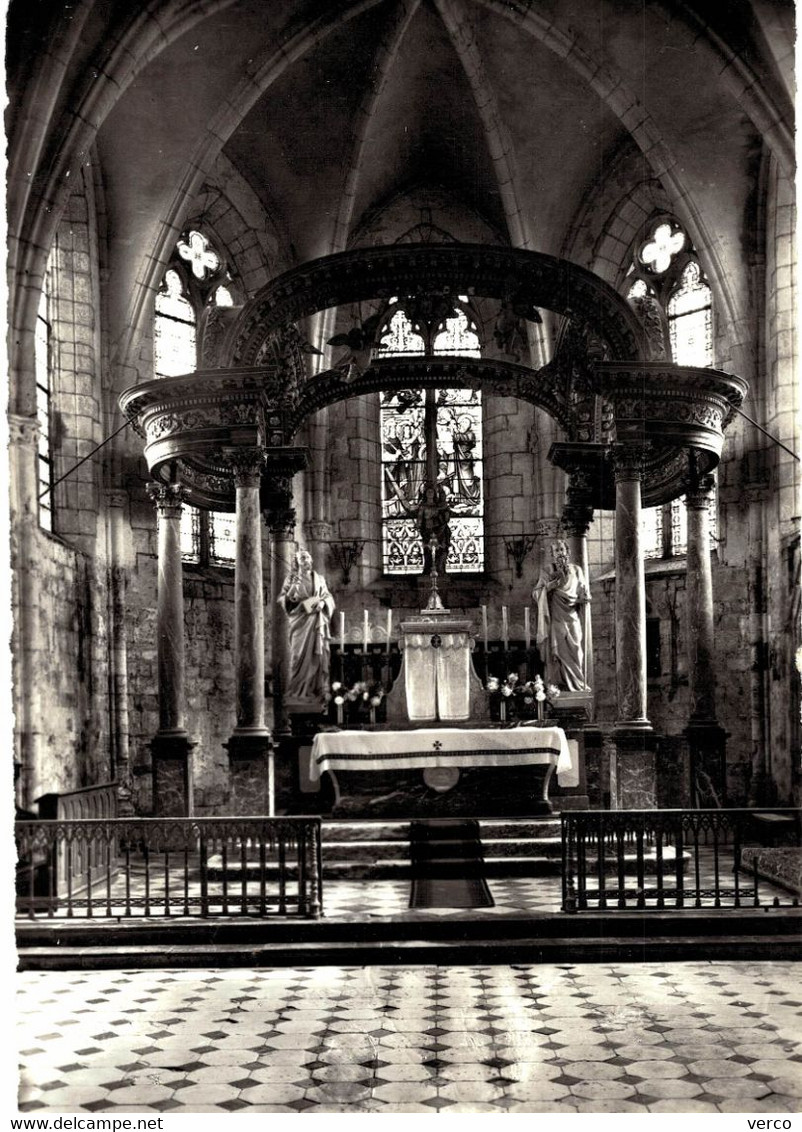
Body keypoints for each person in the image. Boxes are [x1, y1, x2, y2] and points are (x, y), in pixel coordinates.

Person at [277, 547, 336, 704]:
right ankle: (297, 692)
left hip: (316, 622)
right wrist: (293, 588)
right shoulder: (291, 579)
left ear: (311, 560)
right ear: (297, 562)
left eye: (307, 558)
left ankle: (314, 690)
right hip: (299, 623)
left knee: (316, 657)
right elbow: (284, 601)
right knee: (298, 657)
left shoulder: (320, 579)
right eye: (301, 558)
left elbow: (328, 597)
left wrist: (322, 603)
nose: (305, 561)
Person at [533, 539, 591, 692]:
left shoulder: (577, 570)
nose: (559, 553)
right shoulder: (547, 570)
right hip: (557, 618)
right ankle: (558, 687)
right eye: (556, 551)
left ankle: (578, 686)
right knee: (557, 653)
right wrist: (549, 587)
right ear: (552, 555)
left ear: (567, 551)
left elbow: (583, 591)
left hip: (572, 616)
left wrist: (584, 597)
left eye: (561, 549)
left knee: (576, 651)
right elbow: (536, 593)